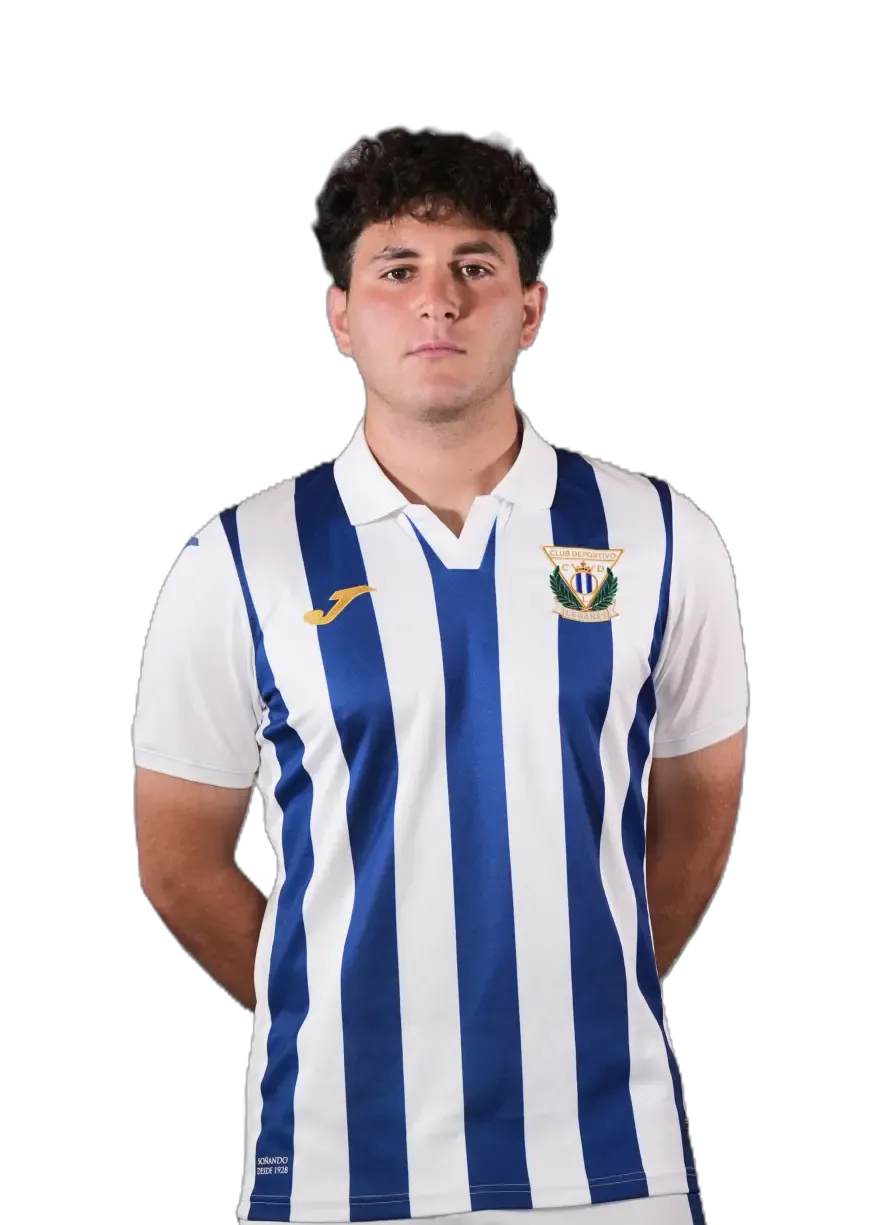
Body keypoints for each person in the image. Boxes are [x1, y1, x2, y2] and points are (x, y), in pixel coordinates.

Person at [133, 125, 748, 1225]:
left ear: (532, 305)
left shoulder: (660, 538)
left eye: (474, 266)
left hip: (610, 1168)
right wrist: (345, 1004)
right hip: (342, 1168)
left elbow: (699, 815)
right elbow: (180, 860)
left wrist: (572, 991)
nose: (437, 303)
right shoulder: (239, 561)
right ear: (338, 312)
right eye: (396, 270)